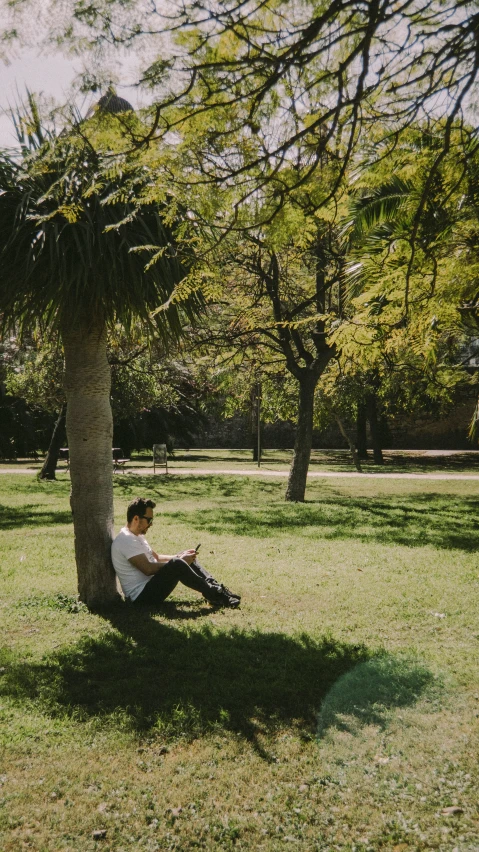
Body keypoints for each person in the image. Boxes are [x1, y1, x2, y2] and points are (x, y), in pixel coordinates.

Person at [111, 496, 241, 608]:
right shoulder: (126, 540)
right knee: (178, 563)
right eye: (149, 520)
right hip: (141, 597)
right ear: (136, 518)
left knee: (183, 558)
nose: (151, 524)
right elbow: (148, 569)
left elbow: (155, 557)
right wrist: (180, 561)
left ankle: (218, 589)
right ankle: (215, 594)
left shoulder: (137, 536)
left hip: (150, 587)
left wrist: (180, 556)